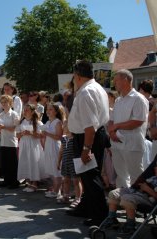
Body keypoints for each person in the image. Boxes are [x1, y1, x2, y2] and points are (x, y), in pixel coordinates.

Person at [67, 59, 109, 226]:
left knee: (91, 176)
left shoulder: (86, 92)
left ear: (77, 76)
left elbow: (90, 126)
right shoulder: (96, 88)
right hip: (92, 136)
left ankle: (101, 215)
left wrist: (86, 148)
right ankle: (86, 206)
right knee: (86, 176)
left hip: (87, 137)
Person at [108, 69, 148, 188]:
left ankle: (137, 201)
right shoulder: (119, 100)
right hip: (116, 143)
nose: (114, 83)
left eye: (116, 80)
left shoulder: (138, 98)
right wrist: (111, 132)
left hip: (132, 144)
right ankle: (123, 198)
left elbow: (138, 122)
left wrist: (116, 127)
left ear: (125, 80)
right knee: (121, 175)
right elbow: (112, 120)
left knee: (136, 174)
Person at [101, 162, 157, 235]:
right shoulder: (152, 176)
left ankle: (130, 225)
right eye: (155, 167)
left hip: (148, 198)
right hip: (135, 190)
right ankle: (112, 219)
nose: (155, 169)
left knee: (127, 198)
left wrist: (147, 189)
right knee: (113, 194)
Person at [16, 104, 45, 192]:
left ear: (32, 112)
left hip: (33, 145)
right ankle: (28, 181)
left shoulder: (38, 122)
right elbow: (17, 134)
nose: (25, 112)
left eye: (27, 110)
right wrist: (22, 134)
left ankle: (35, 183)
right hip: (24, 144)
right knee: (26, 162)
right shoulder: (22, 122)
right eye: (24, 110)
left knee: (33, 162)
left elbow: (42, 135)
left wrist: (31, 133)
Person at [0, 94, 20, 189]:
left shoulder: (14, 114)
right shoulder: (1, 114)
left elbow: (14, 128)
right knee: (4, 162)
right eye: (2, 102)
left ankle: (14, 181)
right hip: (3, 141)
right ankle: (6, 180)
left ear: (10, 103)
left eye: (6, 102)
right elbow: (0, 127)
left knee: (12, 163)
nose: (4, 104)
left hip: (12, 142)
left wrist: (3, 127)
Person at [42, 103, 64, 198]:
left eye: (50, 109)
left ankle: (56, 191)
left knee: (56, 169)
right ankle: (56, 190)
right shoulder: (48, 122)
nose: (48, 111)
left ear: (56, 111)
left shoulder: (58, 122)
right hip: (48, 146)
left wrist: (47, 134)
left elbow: (59, 137)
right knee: (51, 168)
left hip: (55, 147)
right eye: (48, 109)